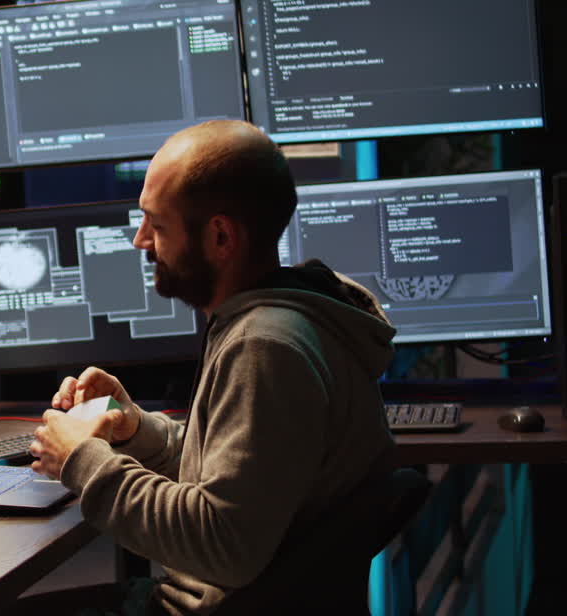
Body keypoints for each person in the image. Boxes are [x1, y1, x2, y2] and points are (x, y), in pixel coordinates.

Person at [26, 120, 396, 615]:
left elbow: (223, 543)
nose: (141, 241)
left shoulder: (265, 346)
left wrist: (81, 460)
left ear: (220, 236)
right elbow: (245, 480)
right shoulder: (288, 318)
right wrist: (135, 430)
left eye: (156, 225)